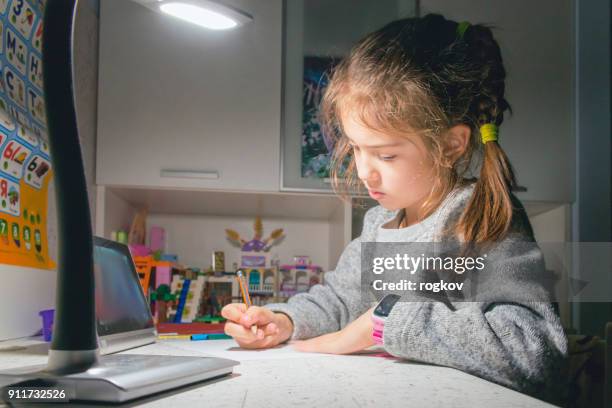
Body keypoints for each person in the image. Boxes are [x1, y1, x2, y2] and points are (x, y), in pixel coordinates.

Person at [222, 14, 567, 404]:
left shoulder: (483, 219)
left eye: (385, 154)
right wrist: (283, 321)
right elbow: (340, 300)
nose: (363, 171)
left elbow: (533, 353)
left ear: (451, 146)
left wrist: (382, 323)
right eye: (355, 147)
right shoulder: (378, 224)